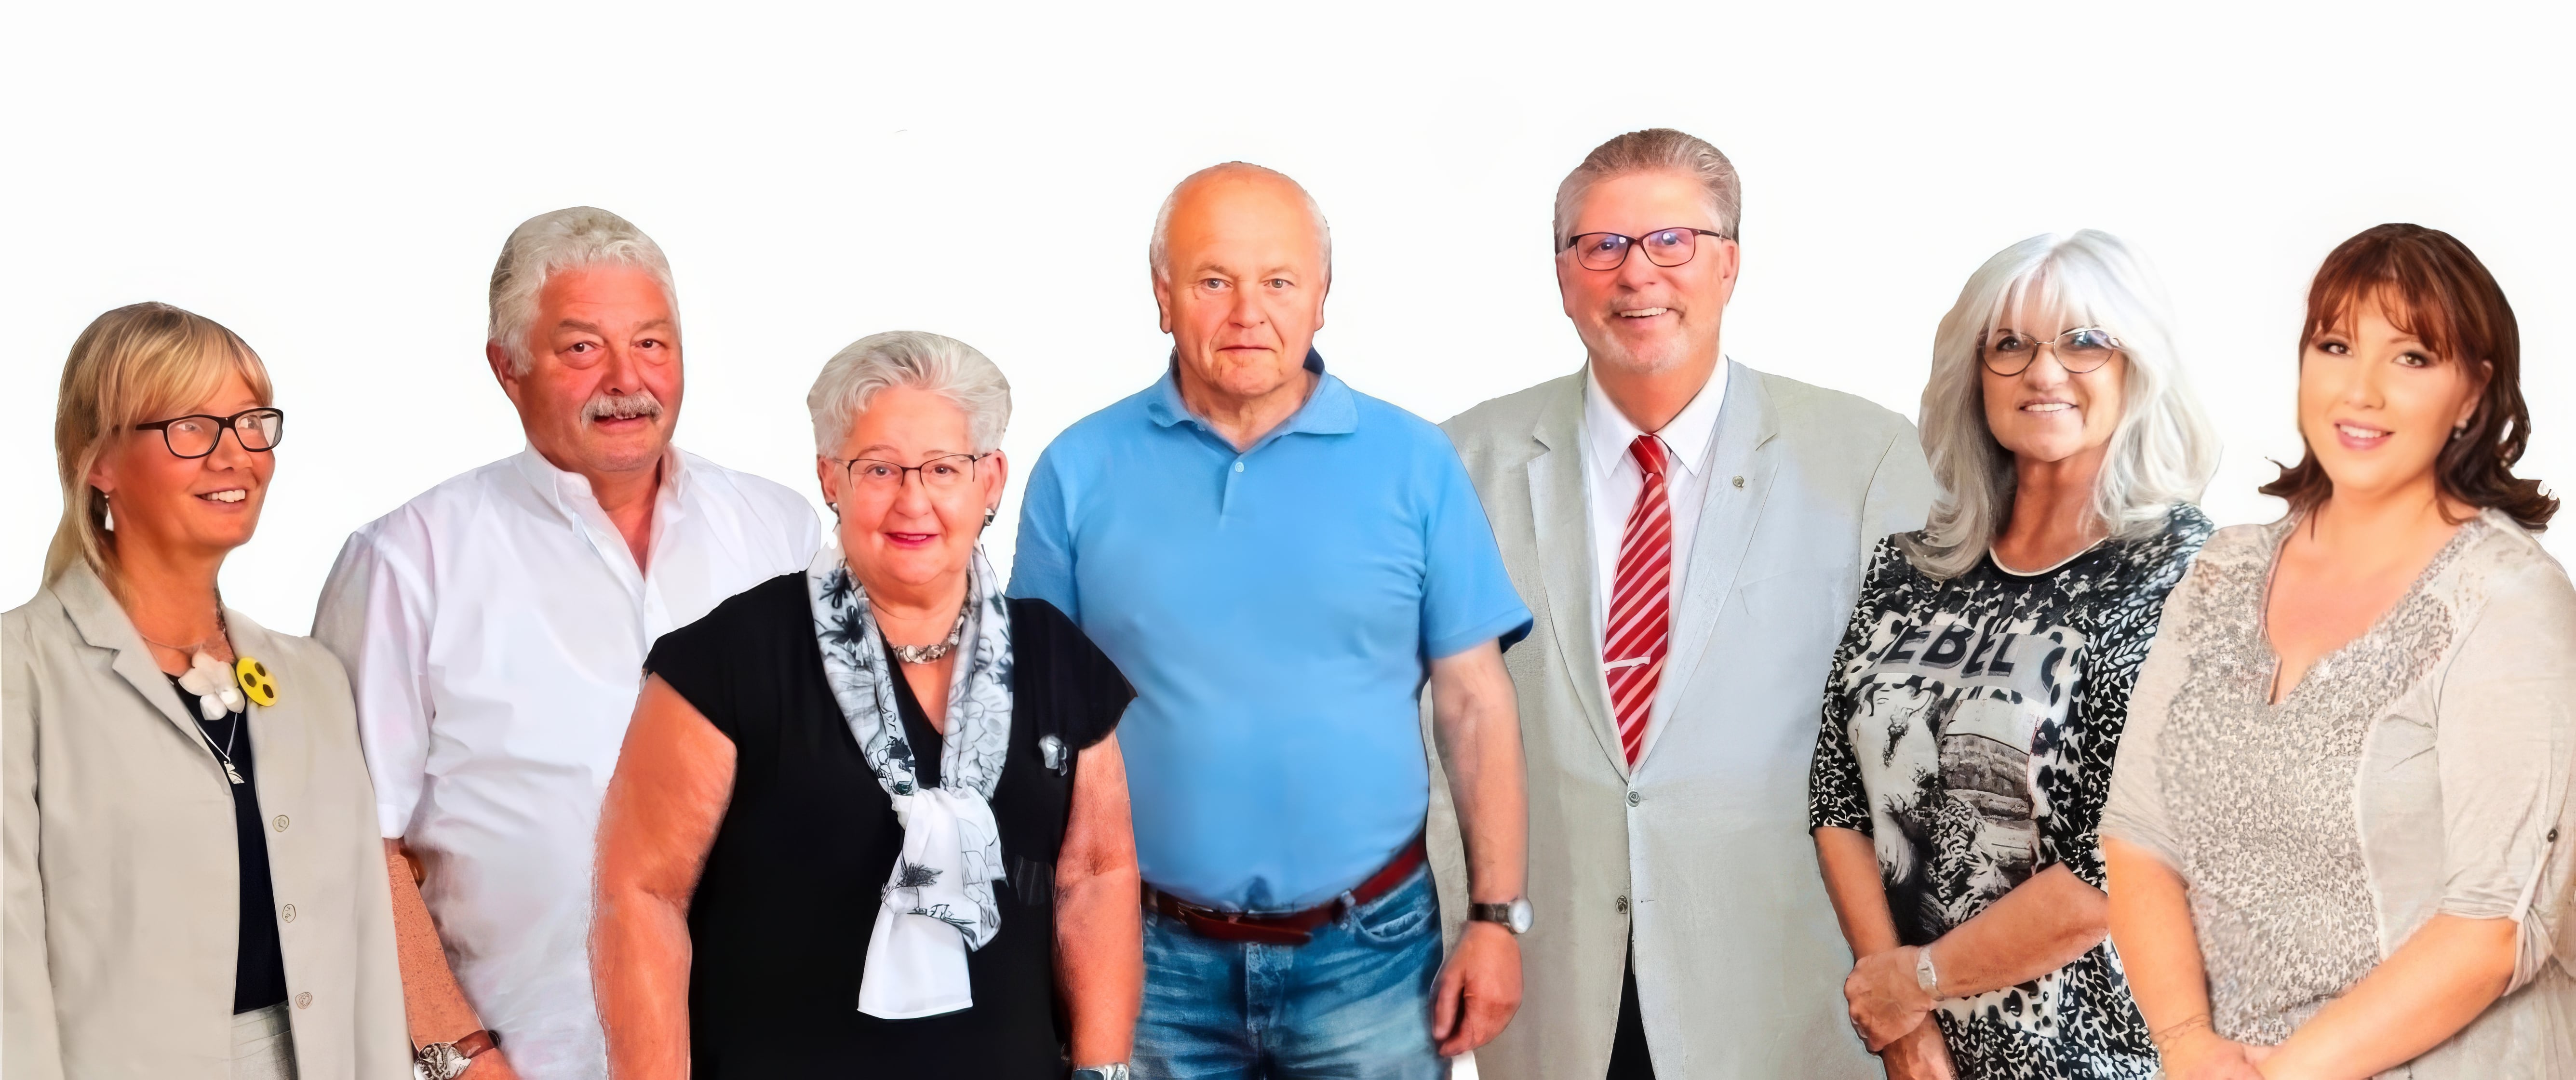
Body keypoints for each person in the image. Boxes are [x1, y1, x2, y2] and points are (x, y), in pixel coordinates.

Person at [1009, 162, 1534, 1078]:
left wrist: (1496, 917)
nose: (1248, 311)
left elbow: (1474, 701)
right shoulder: (1078, 468)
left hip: (1371, 953)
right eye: (1215, 281)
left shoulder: (1414, 462)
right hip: (1147, 958)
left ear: (1323, 298)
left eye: (1279, 281)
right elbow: (1035, 727)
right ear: (1163, 296)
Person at [1436, 127, 1935, 1080]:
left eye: (1672, 242)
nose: (1637, 276)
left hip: (1789, 987)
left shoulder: (1868, 460)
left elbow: (1913, 758)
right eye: (1602, 245)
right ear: (1560, 271)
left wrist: (1914, 979)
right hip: (1552, 980)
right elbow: (1429, 742)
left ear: (1729, 264)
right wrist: (1467, 925)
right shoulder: (1459, 464)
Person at [313, 207, 820, 1079]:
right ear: (506, 369)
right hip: (531, 1055)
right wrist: (460, 1058)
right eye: (582, 349)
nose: (628, 380)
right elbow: (356, 845)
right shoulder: (408, 561)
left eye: (654, 344)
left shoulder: (779, 531)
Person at [589, 331, 1141, 1079]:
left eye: (944, 468)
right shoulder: (727, 660)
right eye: (879, 468)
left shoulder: (1055, 656)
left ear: (991, 481)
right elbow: (641, 896)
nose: (913, 499)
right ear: (830, 477)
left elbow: (1096, 878)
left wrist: (1103, 1071)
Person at [2103, 223, 2576, 1079]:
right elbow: (2140, 834)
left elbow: (2495, 926)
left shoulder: (2508, 601)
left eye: (2413, 358)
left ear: (2474, 393)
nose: (2362, 391)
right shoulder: (2222, 570)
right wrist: (2185, 1046)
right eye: (2336, 345)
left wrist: (2276, 1076)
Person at [1807, 232, 2220, 1080]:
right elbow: (1835, 793)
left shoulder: (2192, 580)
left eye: (2083, 341)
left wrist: (1914, 983)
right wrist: (1905, 1029)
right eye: (2010, 345)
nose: (2044, 371)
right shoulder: (1911, 567)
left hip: (2100, 1055)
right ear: (1974, 375)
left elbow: (2115, 866)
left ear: (2137, 369)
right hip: (1912, 1053)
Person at [5, 303, 409, 1079]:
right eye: (191, 426)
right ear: (99, 461)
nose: (236, 456)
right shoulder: (19, 675)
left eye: (252, 421)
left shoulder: (313, 681)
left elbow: (364, 953)